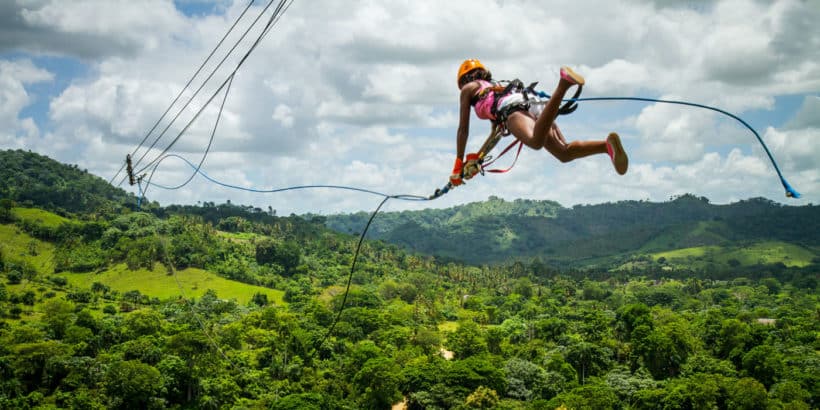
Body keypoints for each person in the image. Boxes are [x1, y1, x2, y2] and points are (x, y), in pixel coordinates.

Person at [450, 59, 628, 186]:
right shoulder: (493, 89)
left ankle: (563, 84)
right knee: (563, 153)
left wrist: (458, 165)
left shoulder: (468, 89)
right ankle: (606, 146)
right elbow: (494, 135)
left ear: (464, 80)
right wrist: (476, 161)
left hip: (514, 109)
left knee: (536, 142)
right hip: (532, 104)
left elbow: (462, 130)